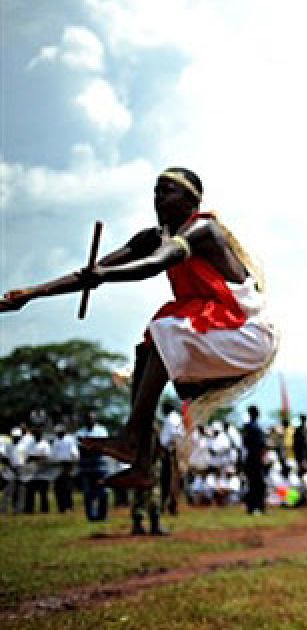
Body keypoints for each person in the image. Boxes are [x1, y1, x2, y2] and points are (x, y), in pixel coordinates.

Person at [0, 168, 278, 488]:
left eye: (167, 191)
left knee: (166, 326)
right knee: (147, 349)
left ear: (191, 199)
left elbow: (154, 264)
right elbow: (95, 271)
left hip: (248, 334)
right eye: (156, 191)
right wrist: (33, 293)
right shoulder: (152, 237)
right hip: (217, 330)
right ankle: (142, 462)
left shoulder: (203, 230)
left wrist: (102, 276)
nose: (158, 198)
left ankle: (131, 434)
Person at [159, 401, 185, 516]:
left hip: (170, 452)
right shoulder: (174, 418)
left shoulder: (171, 419)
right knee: (171, 480)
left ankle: (170, 505)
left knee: (169, 480)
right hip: (172, 451)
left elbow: (175, 436)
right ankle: (171, 505)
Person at [242, 405, 267, 515]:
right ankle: (257, 507)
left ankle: (252, 507)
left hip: (250, 459)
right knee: (258, 485)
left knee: (252, 484)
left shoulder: (247, 427)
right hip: (255, 459)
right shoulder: (255, 428)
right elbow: (261, 445)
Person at [50, 423, 79, 513]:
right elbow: (53, 455)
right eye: (57, 433)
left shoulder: (69, 439)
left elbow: (75, 454)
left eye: (60, 432)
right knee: (58, 488)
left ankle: (68, 507)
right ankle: (61, 507)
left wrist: (72, 466)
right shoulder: (56, 441)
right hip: (57, 465)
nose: (59, 434)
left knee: (67, 488)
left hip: (67, 465)